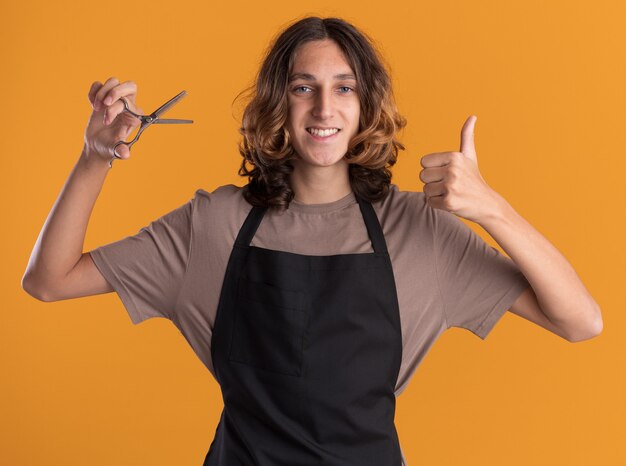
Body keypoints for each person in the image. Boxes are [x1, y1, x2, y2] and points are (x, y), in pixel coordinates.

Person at [22, 15, 602, 466]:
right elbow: (49, 281)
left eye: (344, 88)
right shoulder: (214, 224)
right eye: (304, 86)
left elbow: (581, 321)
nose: (325, 107)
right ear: (279, 101)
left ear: (366, 104)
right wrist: (95, 157)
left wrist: (492, 209)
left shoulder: (418, 231)